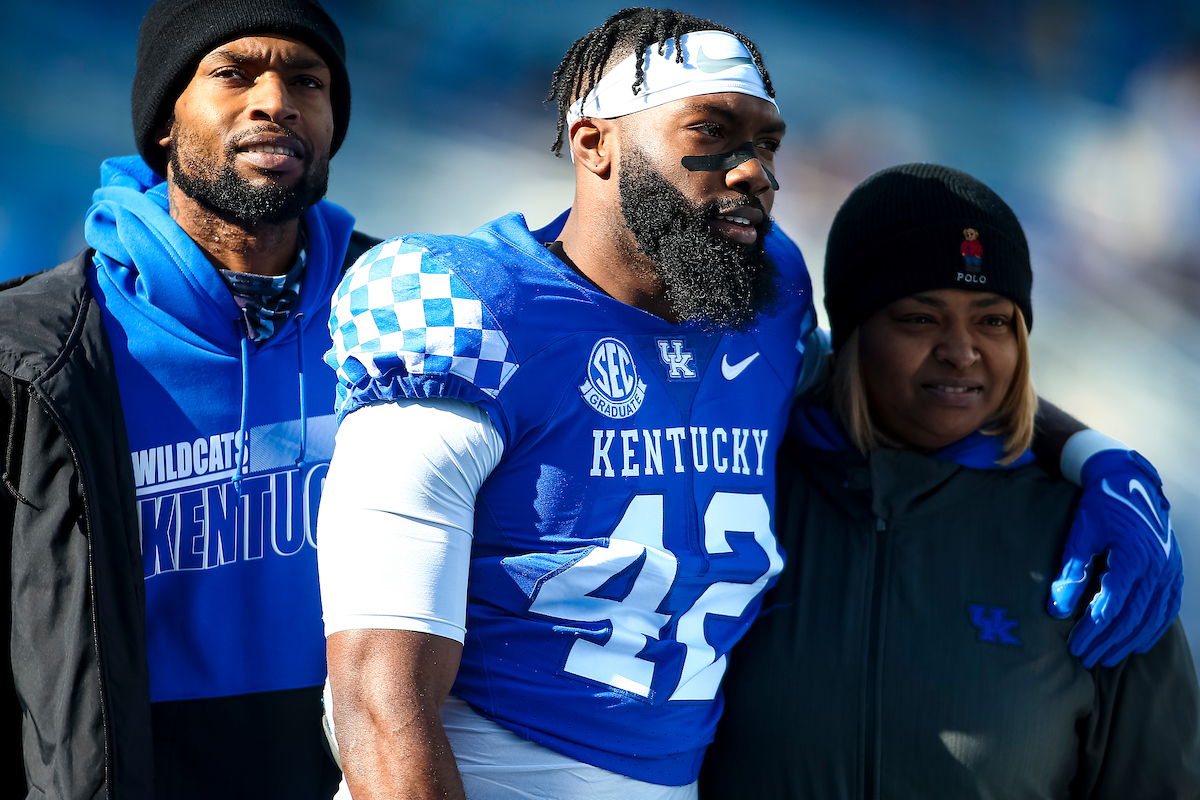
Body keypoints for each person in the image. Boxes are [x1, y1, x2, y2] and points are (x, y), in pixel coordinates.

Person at [318, 9, 1181, 800]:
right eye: (712, 132)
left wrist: (1095, 456)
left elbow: (910, 380)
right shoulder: (471, 308)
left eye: (767, 142)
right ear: (593, 142)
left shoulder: (764, 303)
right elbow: (376, 695)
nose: (754, 171)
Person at [700, 163, 1200, 799]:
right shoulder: (738, 489)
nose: (962, 350)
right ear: (850, 336)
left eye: (993, 320)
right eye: (919, 318)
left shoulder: (1098, 547)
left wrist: (1099, 457)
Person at [0, 0, 377, 797]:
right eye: (233, 73)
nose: (275, 100)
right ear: (165, 123)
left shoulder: (404, 315)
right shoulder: (31, 352)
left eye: (306, 80)